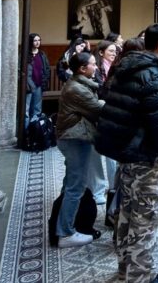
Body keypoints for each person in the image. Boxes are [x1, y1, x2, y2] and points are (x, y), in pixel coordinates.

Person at [95, 23, 158, 283]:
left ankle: (125, 270)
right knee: (147, 216)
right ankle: (140, 277)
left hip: (125, 151)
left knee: (127, 213)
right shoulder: (152, 72)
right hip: (145, 154)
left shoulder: (124, 66)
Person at [55, 51, 103, 248]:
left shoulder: (80, 84)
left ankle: (63, 223)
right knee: (76, 186)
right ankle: (65, 233)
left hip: (74, 137)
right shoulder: (77, 89)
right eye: (93, 64)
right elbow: (97, 108)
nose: (96, 67)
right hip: (75, 138)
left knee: (71, 182)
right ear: (83, 69)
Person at [26, 33, 50, 123]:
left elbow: (46, 69)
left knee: (37, 109)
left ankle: (35, 129)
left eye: (39, 40)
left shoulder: (42, 54)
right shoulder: (25, 54)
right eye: (35, 40)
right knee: (26, 109)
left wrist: (45, 79)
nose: (37, 42)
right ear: (31, 42)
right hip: (28, 85)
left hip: (39, 85)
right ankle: (26, 130)